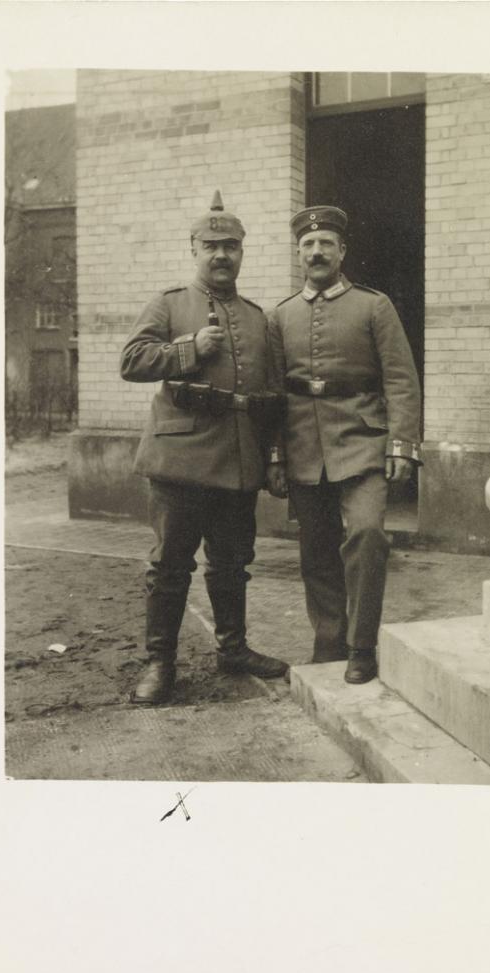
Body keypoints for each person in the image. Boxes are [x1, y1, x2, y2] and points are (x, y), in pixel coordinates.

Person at [121, 191, 288, 704]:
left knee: (233, 562)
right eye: (211, 245)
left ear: (242, 252)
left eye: (231, 246)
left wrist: (275, 456)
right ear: (193, 248)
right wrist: (190, 349)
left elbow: (276, 393)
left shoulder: (260, 318)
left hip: (239, 459)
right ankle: (159, 662)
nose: (221, 255)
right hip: (180, 460)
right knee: (171, 565)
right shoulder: (170, 304)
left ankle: (232, 649)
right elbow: (132, 360)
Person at [267, 205, 422, 684]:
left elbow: (400, 378)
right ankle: (328, 639)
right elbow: (273, 393)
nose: (317, 252)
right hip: (303, 446)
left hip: (363, 440)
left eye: (326, 244)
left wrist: (402, 445)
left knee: (368, 535)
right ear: (299, 254)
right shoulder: (281, 316)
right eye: (308, 246)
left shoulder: (374, 306)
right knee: (316, 548)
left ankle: (361, 644)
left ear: (342, 251)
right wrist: (274, 454)